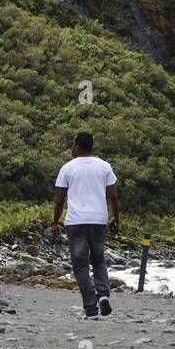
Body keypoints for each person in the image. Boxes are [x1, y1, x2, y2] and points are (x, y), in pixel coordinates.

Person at [51, 132, 120, 317]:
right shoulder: (104, 166)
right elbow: (113, 196)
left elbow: (60, 199)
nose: (71, 148)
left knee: (81, 265)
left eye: (73, 144)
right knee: (98, 260)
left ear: (78, 147)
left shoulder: (67, 168)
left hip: (76, 222)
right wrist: (116, 219)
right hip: (99, 220)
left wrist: (55, 222)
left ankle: (91, 307)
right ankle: (103, 295)